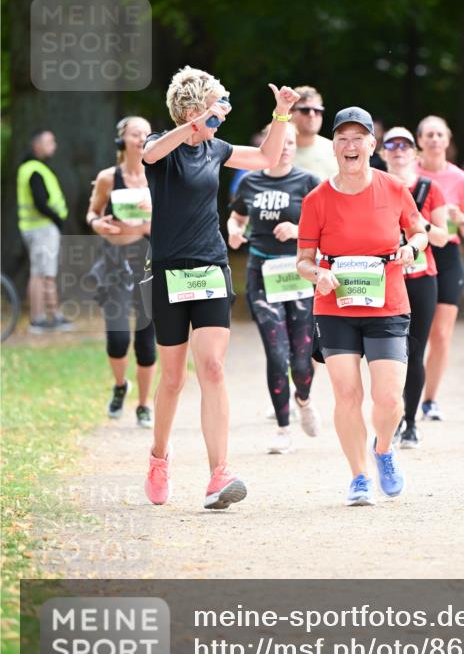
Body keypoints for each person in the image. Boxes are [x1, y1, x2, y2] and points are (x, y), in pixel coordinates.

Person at [142, 65, 299, 509]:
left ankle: (219, 473)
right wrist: (192, 127)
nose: (223, 115)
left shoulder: (216, 148)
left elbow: (266, 160)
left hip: (211, 266)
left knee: (211, 367)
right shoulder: (163, 146)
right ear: (194, 107)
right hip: (170, 270)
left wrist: (281, 114)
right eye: (216, 104)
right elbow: (151, 156)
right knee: (172, 378)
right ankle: (159, 458)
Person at [297, 106, 428, 506]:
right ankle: (358, 477)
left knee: (389, 399)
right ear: (333, 146)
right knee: (347, 394)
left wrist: (411, 248)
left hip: (387, 304)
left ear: (373, 144)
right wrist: (317, 274)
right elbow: (303, 259)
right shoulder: (317, 198)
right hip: (335, 307)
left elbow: (419, 231)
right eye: (343, 138)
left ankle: (383, 450)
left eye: (359, 138)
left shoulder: (392, 188)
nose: (350, 145)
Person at [227, 122, 320, 454]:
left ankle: (305, 400)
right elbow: (236, 217)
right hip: (262, 274)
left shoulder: (309, 182)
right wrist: (234, 231)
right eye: (280, 141)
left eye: (291, 142)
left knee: (301, 359)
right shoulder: (250, 181)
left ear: (297, 146)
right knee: (276, 353)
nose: (285, 148)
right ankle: (283, 428)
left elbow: (328, 225)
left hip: (299, 273)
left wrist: (297, 230)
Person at [86, 117, 157, 426]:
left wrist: (145, 225)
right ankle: (119, 386)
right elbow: (92, 211)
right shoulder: (107, 178)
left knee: (146, 340)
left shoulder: (158, 176)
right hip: (114, 263)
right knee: (116, 339)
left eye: (145, 133)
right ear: (122, 140)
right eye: (134, 133)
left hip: (149, 262)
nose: (141, 137)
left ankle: (143, 404)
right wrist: (95, 223)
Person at [381, 127, 449, 448]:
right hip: (385, 279)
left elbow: (442, 237)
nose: (398, 149)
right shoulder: (375, 186)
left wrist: (417, 224)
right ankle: (391, 422)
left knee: (415, 350)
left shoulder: (428, 187)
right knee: (389, 355)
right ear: (382, 153)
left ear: (415, 153)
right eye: (391, 144)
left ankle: (410, 424)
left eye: (405, 144)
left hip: (422, 278)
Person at [415, 116, 464, 421]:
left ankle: (430, 399)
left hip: (448, 253)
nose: (434, 140)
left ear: (448, 139)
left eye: (440, 134)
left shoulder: (460, 178)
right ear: (419, 140)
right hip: (414, 253)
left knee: (440, 335)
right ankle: (406, 395)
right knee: (414, 332)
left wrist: (460, 218)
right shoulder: (407, 174)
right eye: (429, 134)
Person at [16, 129, 71, 333]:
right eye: (50, 142)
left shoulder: (30, 168)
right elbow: (40, 201)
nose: (54, 146)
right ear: (37, 145)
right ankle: (40, 318)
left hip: (35, 228)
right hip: (42, 229)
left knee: (43, 272)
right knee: (42, 274)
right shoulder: (35, 170)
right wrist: (56, 218)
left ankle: (50, 316)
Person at [290, 85, 338, 180]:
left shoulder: (336, 150)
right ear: (289, 113)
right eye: (305, 110)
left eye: (317, 111)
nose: (312, 115)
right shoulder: (276, 151)